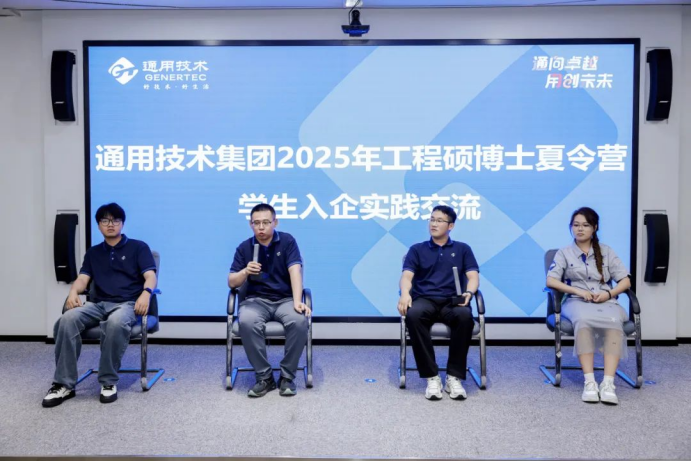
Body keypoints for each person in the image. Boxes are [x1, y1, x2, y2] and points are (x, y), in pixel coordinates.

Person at [43, 203, 157, 407]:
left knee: (116, 322)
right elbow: (83, 279)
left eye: (115, 220)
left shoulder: (138, 247)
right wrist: (73, 292)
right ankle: (63, 384)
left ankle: (108, 381)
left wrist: (146, 293)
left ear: (122, 223)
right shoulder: (93, 253)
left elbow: (150, 276)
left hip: (127, 304)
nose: (110, 224)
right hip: (97, 304)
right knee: (66, 320)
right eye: (105, 220)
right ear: (98, 225)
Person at [546, 206, 631, 405]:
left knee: (614, 322)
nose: (580, 229)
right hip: (576, 301)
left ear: (595, 228)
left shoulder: (607, 251)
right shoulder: (564, 253)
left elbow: (625, 281)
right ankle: (590, 382)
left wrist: (608, 294)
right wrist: (578, 291)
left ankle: (608, 383)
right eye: (576, 225)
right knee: (583, 321)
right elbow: (551, 280)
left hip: (606, 301)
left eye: (585, 225)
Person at [398, 205, 480, 400]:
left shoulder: (463, 249)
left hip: (453, 301)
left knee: (465, 316)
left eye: (439, 220)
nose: (433, 224)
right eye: (432, 219)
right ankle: (432, 377)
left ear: (450, 226)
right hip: (425, 299)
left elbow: (473, 277)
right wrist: (405, 293)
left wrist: (469, 293)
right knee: (413, 315)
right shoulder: (417, 249)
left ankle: (454, 377)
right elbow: (407, 276)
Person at [228, 203, 310, 397]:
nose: (261, 227)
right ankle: (264, 377)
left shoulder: (287, 241)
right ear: (251, 224)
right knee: (247, 321)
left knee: (299, 320)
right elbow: (231, 282)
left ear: (275, 222)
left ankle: (287, 376)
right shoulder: (244, 247)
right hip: (255, 301)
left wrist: (297, 300)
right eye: (256, 223)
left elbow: (295, 271)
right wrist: (245, 271)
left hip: (285, 300)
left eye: (266, 222)